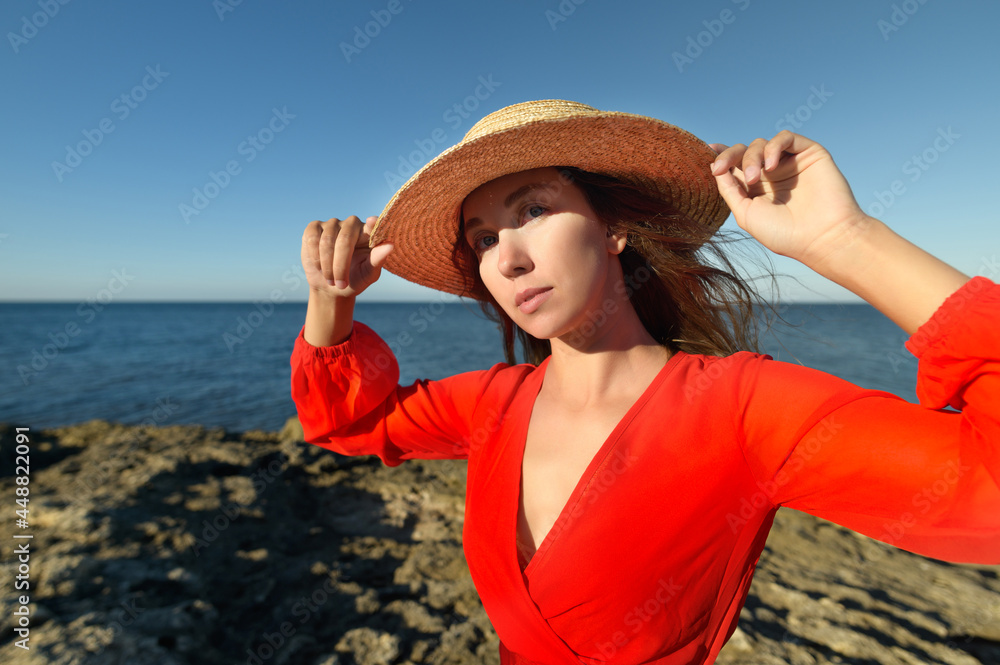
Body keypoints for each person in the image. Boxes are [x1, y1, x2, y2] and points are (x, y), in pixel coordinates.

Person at [290, 100, 999, 665]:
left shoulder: (740, 408)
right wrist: (333, 304)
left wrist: (845, 240)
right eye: (482, 239)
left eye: (532, 211)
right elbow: (350, 423)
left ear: (614, 229)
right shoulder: (492, 404)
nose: (505, 259)